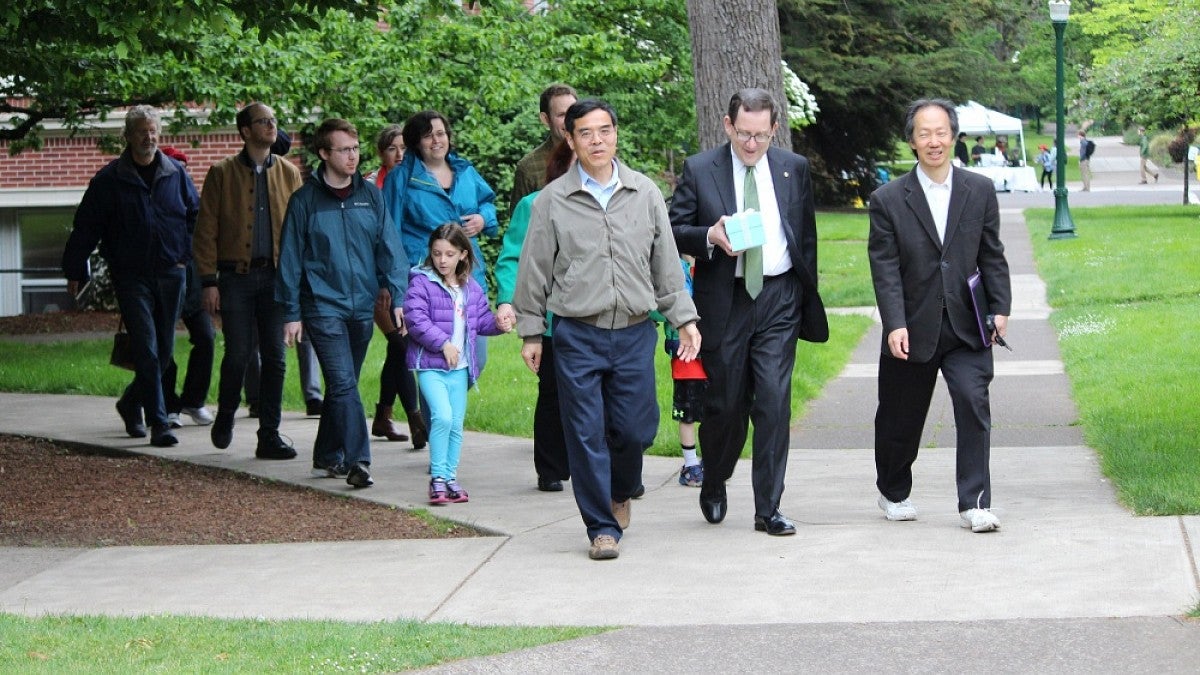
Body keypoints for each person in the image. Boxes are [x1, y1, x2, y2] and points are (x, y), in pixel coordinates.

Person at [513, 98, 701, 561]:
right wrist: (532, 332)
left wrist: (685, 317)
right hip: (578, 333)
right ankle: (601, 527)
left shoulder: (645, 192)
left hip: (636, 332)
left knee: (636, 429)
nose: (597, 140)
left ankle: (621, 489)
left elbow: (666, 264)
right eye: (586, 133)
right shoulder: (553, 201)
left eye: (604, 131)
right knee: (585, 432)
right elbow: (534, 269)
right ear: (571, 141)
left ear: (616, 134)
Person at [669, 87, 828, 536]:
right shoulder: (701, 170)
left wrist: (800, 294)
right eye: (743, 134)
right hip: (726, 300)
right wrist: (709, 236)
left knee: (775, 403)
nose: (752, 144)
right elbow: (672, 229)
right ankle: (715, 479)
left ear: (774, 129)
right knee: (725, 407)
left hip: (778, 298)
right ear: (727, 126)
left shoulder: (792, 169)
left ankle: (768, 509)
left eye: (761, 135)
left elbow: (806, 236)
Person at [867, 98, 1011, 534]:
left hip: (968, 324)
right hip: (912, 327)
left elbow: (992, 254)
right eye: (924, 133)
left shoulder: (979, 190)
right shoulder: (888, 199)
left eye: (941, 132)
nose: (934, 141)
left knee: (973, 402)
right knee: (900, 416)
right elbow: (885, 268)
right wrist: (895, 323)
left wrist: (1000, 307)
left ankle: (975, 502)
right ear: (912, 140)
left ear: (953, 135)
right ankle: (893, 491)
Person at [277, 118, 408, 488]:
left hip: (362, 305)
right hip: (322, 305)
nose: (352, 157)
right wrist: (291, 312)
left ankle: (325, 455)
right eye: (343, 150)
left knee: (341, 385)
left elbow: (389, 248)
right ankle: (358, 461)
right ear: (323, 153)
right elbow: (289, 259)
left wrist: (396, 294)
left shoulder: (370, 196)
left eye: (355, 149)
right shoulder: (304, 201)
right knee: (344, 383)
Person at [62, 105, 199, 448]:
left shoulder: (176, 174)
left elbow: (196, 220)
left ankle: (129, 402)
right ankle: (159, 422)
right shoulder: (109, 180)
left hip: (172, 272)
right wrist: (75, 267)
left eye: (153, 131)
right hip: (132, 275)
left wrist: (195, 265)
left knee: (165, 352)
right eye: (141, 131)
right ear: (127, 135)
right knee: (147, 348)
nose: (148, 137)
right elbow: (86, 227)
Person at [193, 102, 303, 460]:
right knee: (238, 354)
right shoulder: (221, 173)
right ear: (245, 131)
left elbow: (300, 233)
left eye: (274, 120)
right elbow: (205, 230)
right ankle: (225, 413)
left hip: (275, 279)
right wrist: (209, 281)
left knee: (276, 357)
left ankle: (268, 434)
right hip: (235, 278)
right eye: (264, 121)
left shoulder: (289, 173)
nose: (272, 126)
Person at [495, 85, 578, 493]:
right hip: (550, 316)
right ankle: (550, 468)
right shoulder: (534, 203)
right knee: (553, 392)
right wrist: (509, 300)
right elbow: (514, 256)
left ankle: (613, 467)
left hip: (595, 316)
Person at [383, 110, 499, 374]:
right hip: (427, 278)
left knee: (475, 359)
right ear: (415, 142)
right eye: (427, 136)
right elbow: (389, 234)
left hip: (469, 274)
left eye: (440, 133)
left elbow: (488, 203)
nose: (436, 140)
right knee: (434, 361)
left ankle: (444, 413)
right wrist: (396, 285)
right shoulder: (400, 178)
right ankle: (437, 416)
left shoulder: (466, 170)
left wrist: (483, 219)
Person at [405, 224, 512, 505]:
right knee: (441, 417)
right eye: (437, 253)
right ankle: (437, 478)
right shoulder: (420, 282)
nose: (442, 260)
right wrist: (443, 343)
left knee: (455, 425)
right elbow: (416, 320)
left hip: (460, 369)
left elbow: (481, 322)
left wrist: (500, 324)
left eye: (449, 254)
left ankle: (450, 478)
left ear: (463, 255)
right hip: (431, 366)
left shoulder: (471, 288)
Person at [365, 125, 425, 446]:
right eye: (392, 149)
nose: (400, 155)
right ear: (381, 153)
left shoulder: (415, 183)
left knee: (397, 348)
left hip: (409, 280)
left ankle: (383, 416)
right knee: (401, 345)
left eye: (404, 148)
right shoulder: (370, 187)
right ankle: (416, 419)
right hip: (380, 285)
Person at [663, 256, 705, 488]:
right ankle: (690, 465)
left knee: (712, 412)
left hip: (711, 352)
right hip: (685, 355)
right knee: (687, 413)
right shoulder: (674, 268)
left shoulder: (710, 267)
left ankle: (710, 460)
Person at [509, 83, 578, 214]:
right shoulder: (529, 167)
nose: (570, 120)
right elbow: (520, 220)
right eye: (562, 115)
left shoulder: (596, 155)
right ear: (546, 119)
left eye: (573, 113)